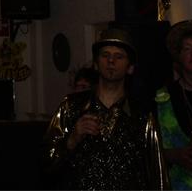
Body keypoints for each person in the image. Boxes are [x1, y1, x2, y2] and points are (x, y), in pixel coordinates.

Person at [42, 28, 168, 189]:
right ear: (96, 64)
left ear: (130, 67)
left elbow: (157, 174)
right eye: (105, 55)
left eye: (119, 56)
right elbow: (45, 164)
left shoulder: (142, 114)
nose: (111, 61)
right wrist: (72, 139)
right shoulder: (71, 107)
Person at [156, 19, 192, 190]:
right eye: (188, 49)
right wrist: (174, 155)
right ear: (178, 56)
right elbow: (145, 149)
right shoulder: (160, 98)